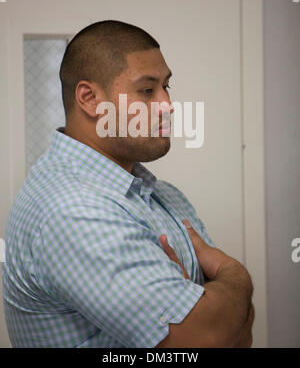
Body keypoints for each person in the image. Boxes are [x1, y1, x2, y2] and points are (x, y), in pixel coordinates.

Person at [2, 20, 254, 348]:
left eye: (166, 87)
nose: (167, 105)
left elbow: (238, 333)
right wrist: (234, 272)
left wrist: (216, 310)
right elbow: (206, 339)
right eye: (147, 90)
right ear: (89, 99)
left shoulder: (163, 196)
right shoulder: (73, 208)